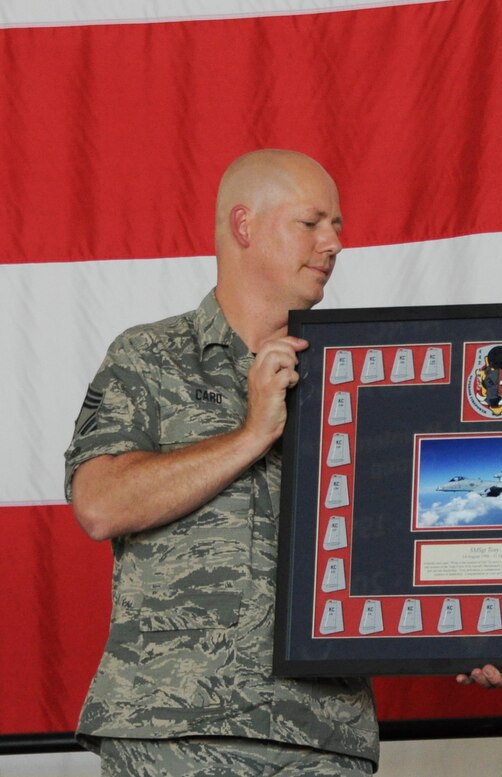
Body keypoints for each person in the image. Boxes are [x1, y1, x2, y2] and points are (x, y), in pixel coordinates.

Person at [65, 149, 379, 776]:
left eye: (338, 226)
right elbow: (100, 504)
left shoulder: (361, 375)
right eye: (312, 222)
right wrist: (250, 434)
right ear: (244, 226)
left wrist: (474, 640)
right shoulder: (149, 357)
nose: (334, 243)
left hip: (322, 738)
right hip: (171, 732)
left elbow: (396, 543)